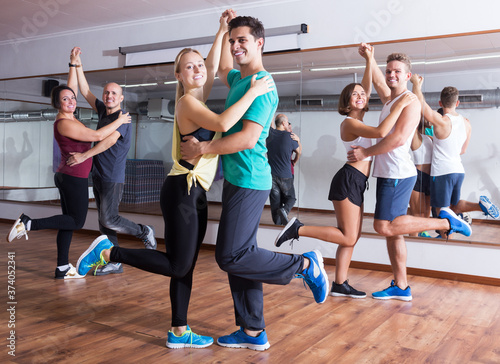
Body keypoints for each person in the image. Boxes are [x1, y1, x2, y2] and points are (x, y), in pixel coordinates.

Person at [75, 12, 274, 349]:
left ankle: (179, 332)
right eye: (189, 67)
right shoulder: (186, 103)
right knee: (179, 263)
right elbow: (225, 123)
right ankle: (111, 252)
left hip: (194, 191)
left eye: (200, 65)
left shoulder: (198, 95)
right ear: (179, 76)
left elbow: (212, 65)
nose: (198, 69)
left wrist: (220, 31)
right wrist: (253, 93)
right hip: (183, 189)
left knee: (185, 266)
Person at [180, 11, 329, 351]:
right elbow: (217, 68)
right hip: (236, 178)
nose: (235, 47)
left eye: (241, 40)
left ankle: (305, 265)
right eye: (233, 42)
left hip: (250, 179)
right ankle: (253, 331)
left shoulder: (262, 86)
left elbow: (247, 139)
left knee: (229, 256)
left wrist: (204, 147)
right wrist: (220, 30)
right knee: (242, 255)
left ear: (259, 43)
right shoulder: (239, 81)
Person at [275, 44, 415, 299]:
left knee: (352, 237)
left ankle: (340, 283)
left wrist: (369, 60)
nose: (361, 96)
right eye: (355, 96)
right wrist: (401, 103)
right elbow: (383, 132)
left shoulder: (358, 120)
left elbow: (366, 87)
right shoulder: (349, 123)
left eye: (363, 94)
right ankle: (298, 229)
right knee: (349, 236)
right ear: (347, 103)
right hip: (348, 180)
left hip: (356, 182)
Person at [347, 44, 472, 301]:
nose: (391, 75)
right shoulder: (392, 99)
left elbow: (398, 138)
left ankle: (447, 222)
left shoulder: (410, 102)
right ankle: (401, 286)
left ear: (407, 75)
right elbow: (376, 82)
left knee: (383, 226)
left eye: (397, 72)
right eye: (389, 70)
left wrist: (365, 154)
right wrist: (369, 58)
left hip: (397, 173)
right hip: (388, 172)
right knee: (394, 232)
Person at [6, 48, 131, 279]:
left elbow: (72, 89)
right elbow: (96, 137)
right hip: (73, 177)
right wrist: (121, 120)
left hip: (69, 175)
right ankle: (28, 223)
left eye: (72, 99)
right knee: (76, 221)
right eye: (65, 99)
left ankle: (62, 266)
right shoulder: (64, 123)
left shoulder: (70, 115)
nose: (72, 100)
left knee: (67, 222)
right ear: (58, 104)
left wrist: (73, 65)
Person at [64, 47, 157, 276]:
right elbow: (84, 89)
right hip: (98, 175)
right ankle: (114, 261)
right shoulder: (103, 111)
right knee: (105, 224)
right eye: (107, 93)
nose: (109, 97)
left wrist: (85, 156)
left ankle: (144, 231)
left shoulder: (122, 119)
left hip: (112, 177)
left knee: (109, 217)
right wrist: (76, 63)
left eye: (114, 94)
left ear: (121, 98)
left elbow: (107, 141)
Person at [411, 75, 499, 234]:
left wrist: (416, 85)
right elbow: (462, 150)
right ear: (457, 103)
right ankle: (480, 206)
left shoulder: (441, 120)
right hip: (458, 170)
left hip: (442, 172)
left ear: (440, 103)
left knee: (441, 212)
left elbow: (421, 105)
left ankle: (447, 239)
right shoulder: (466, 123)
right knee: (453, 206)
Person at [266, 113, 300, 225]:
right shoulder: (289, 136)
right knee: (291, 198)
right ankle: (284, 210)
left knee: (275, 201)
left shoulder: (270, 133)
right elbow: (299, 151)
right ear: (283, 123)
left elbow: (270, 122)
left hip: (271, 175)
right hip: (285, 175)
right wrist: (294, 161)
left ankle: (277, 224)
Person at [408, 115, 433, 237]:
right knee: (416, 214)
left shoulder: (429, 137)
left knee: (425, 215)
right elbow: (411, 123)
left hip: (430, 177)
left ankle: (422, 237)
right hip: (418, 176)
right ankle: (413, 240)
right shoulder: (415, 137)